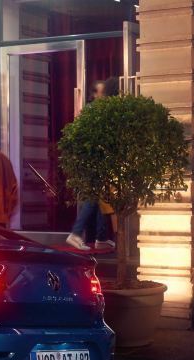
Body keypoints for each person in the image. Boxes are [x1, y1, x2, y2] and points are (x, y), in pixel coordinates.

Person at [65, 79, 117, 251]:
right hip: (95, 161)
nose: (103, 95)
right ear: (94, 94)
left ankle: (101, 237)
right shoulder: (93, 111)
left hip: (99, 161)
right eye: (100, 92)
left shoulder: (100, 110)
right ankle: (76, 233)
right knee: (93, 198)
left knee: (102, 198)